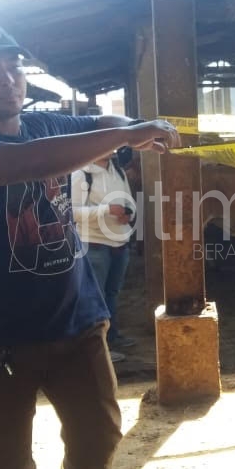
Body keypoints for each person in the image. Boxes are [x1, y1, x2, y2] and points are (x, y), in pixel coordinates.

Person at [0, 22, 179, 469]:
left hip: (77, 325)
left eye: (14, 66)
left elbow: (98, 122)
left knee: (99, 438)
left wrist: (140, 124)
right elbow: (27, 163)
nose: (8, 79)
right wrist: (128, 134)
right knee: (5, 468)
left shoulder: (44, 124)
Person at [72, 148, 138, 363]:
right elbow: (73, 212)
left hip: (119, 242)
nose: (110, 148)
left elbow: (129, 201)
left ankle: (111, 337)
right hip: (94, 243)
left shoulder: (117, 171)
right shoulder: (81, 174)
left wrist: (128, 214)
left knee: (111, 293)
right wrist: (107, 209)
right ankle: (97, 348)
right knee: (95, 296)